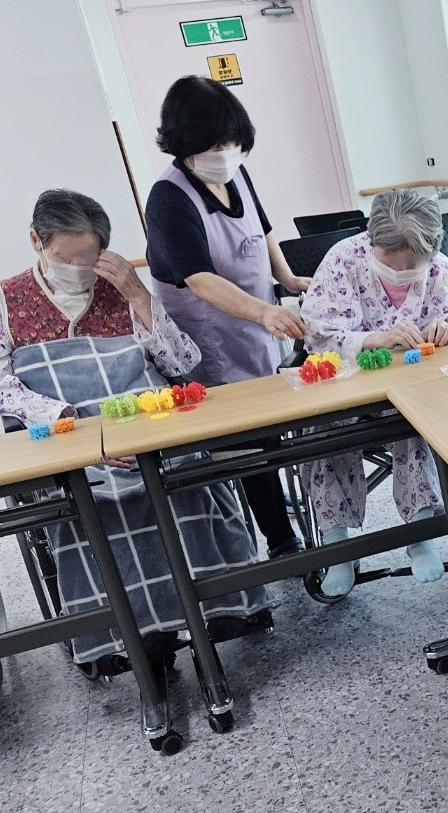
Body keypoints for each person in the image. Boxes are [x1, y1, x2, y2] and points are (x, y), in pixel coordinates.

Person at [0, 189, 274, 677]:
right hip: (73, 437)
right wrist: (69, 424)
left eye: (89, 257)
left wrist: (140, 296)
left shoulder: (123, 287)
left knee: (191, 485)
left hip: (147, 429)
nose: (80, 269)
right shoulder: (4, 302)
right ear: (36, 241)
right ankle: (136, 637)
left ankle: (217, 610)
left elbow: (181, 361)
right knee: (94, 509)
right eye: (67, 258)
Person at [144, 75, 308, 559]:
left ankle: (279, 518)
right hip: (209, 341)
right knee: (242, 444)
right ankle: (279, 542)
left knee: (268, 432)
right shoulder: (169, 198)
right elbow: (198, 278)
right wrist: (264, 310)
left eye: (234, 142)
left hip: (255, 328)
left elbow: (263, 229)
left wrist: (286, 278)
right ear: (185, 144)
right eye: (216, 145)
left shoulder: (236, 175)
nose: (227, 153)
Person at [297, 189, 448, 594]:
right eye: (389, 258)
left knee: (415, 421)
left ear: (431, 251)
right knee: (322, 433)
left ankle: (420, 536)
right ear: (371, 242)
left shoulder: (444, 275)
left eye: (411, 261)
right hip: (348, 395)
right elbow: (316, 333)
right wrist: (374, 339)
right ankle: (337, 548)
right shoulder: (343, 262)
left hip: (413, 395)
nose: (400, 269)